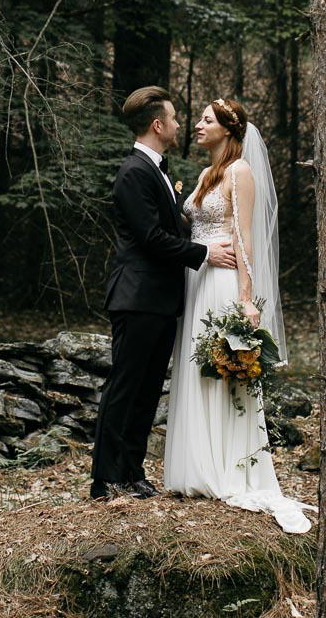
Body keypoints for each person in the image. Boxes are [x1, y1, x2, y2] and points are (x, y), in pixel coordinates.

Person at [162, 97, 312, 533]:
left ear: (227, 129)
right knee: (196, 370)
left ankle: (227, 468)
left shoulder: (240, 172)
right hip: (197, 281)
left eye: (206, 119)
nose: (197, 125)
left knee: (222, 370)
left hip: (223, 284)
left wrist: (247, 298)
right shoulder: (206, 174)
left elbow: (245, 238)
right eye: (198, 119)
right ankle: (196, 466)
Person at [90, 86, 238, 500]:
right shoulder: (133, 172)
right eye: (173, 118)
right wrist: (204, 253)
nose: (178, 124)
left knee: (148, 389)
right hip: (136, 297)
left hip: (159, 300)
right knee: (125, 387)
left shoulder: (155, 170)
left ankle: (132, 471)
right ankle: (105, 479)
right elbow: (151, 237)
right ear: (157, 125)